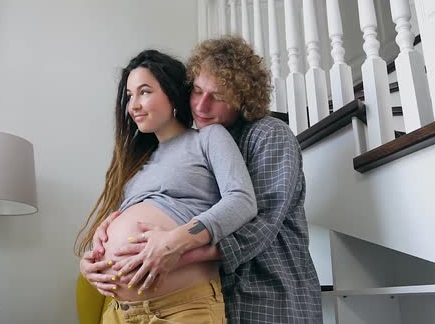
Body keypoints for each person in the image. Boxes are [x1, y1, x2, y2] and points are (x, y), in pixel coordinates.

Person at [84, 37, 323, 323]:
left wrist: (176, 251)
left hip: (268, 289)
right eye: (197, 91)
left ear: (243, 99)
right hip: (218, 294)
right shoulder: (193, 145)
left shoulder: (267, 135)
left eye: (218, 97)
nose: (201, 106)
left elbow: (261, 224)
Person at [76, 49, 258, 323]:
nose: (133, 105)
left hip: (181, 308)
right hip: (119, 313)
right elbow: (116, 222)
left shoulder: (208, 139)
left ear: (172, 94)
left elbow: (242, 200)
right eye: (129, 95)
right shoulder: (138, 162)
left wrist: (175, 240)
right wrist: (90, 259)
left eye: (145, 91)